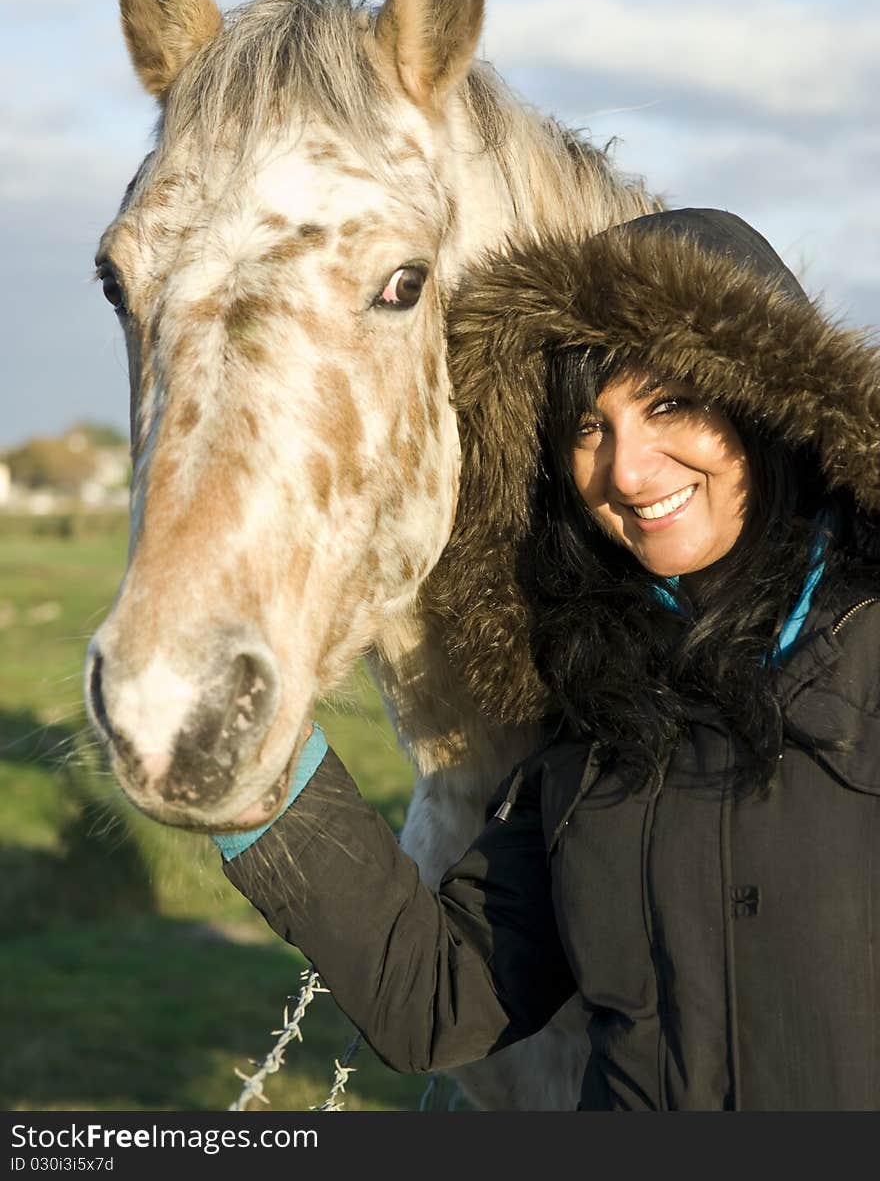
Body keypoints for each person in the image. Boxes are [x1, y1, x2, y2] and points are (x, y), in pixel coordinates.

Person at [212, 208, 880, 1111]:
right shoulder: (596, 718)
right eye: (589, 428)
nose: (630, 472)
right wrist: (250, 763)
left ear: (769, 401)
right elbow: (441, 999)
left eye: (671, 404)